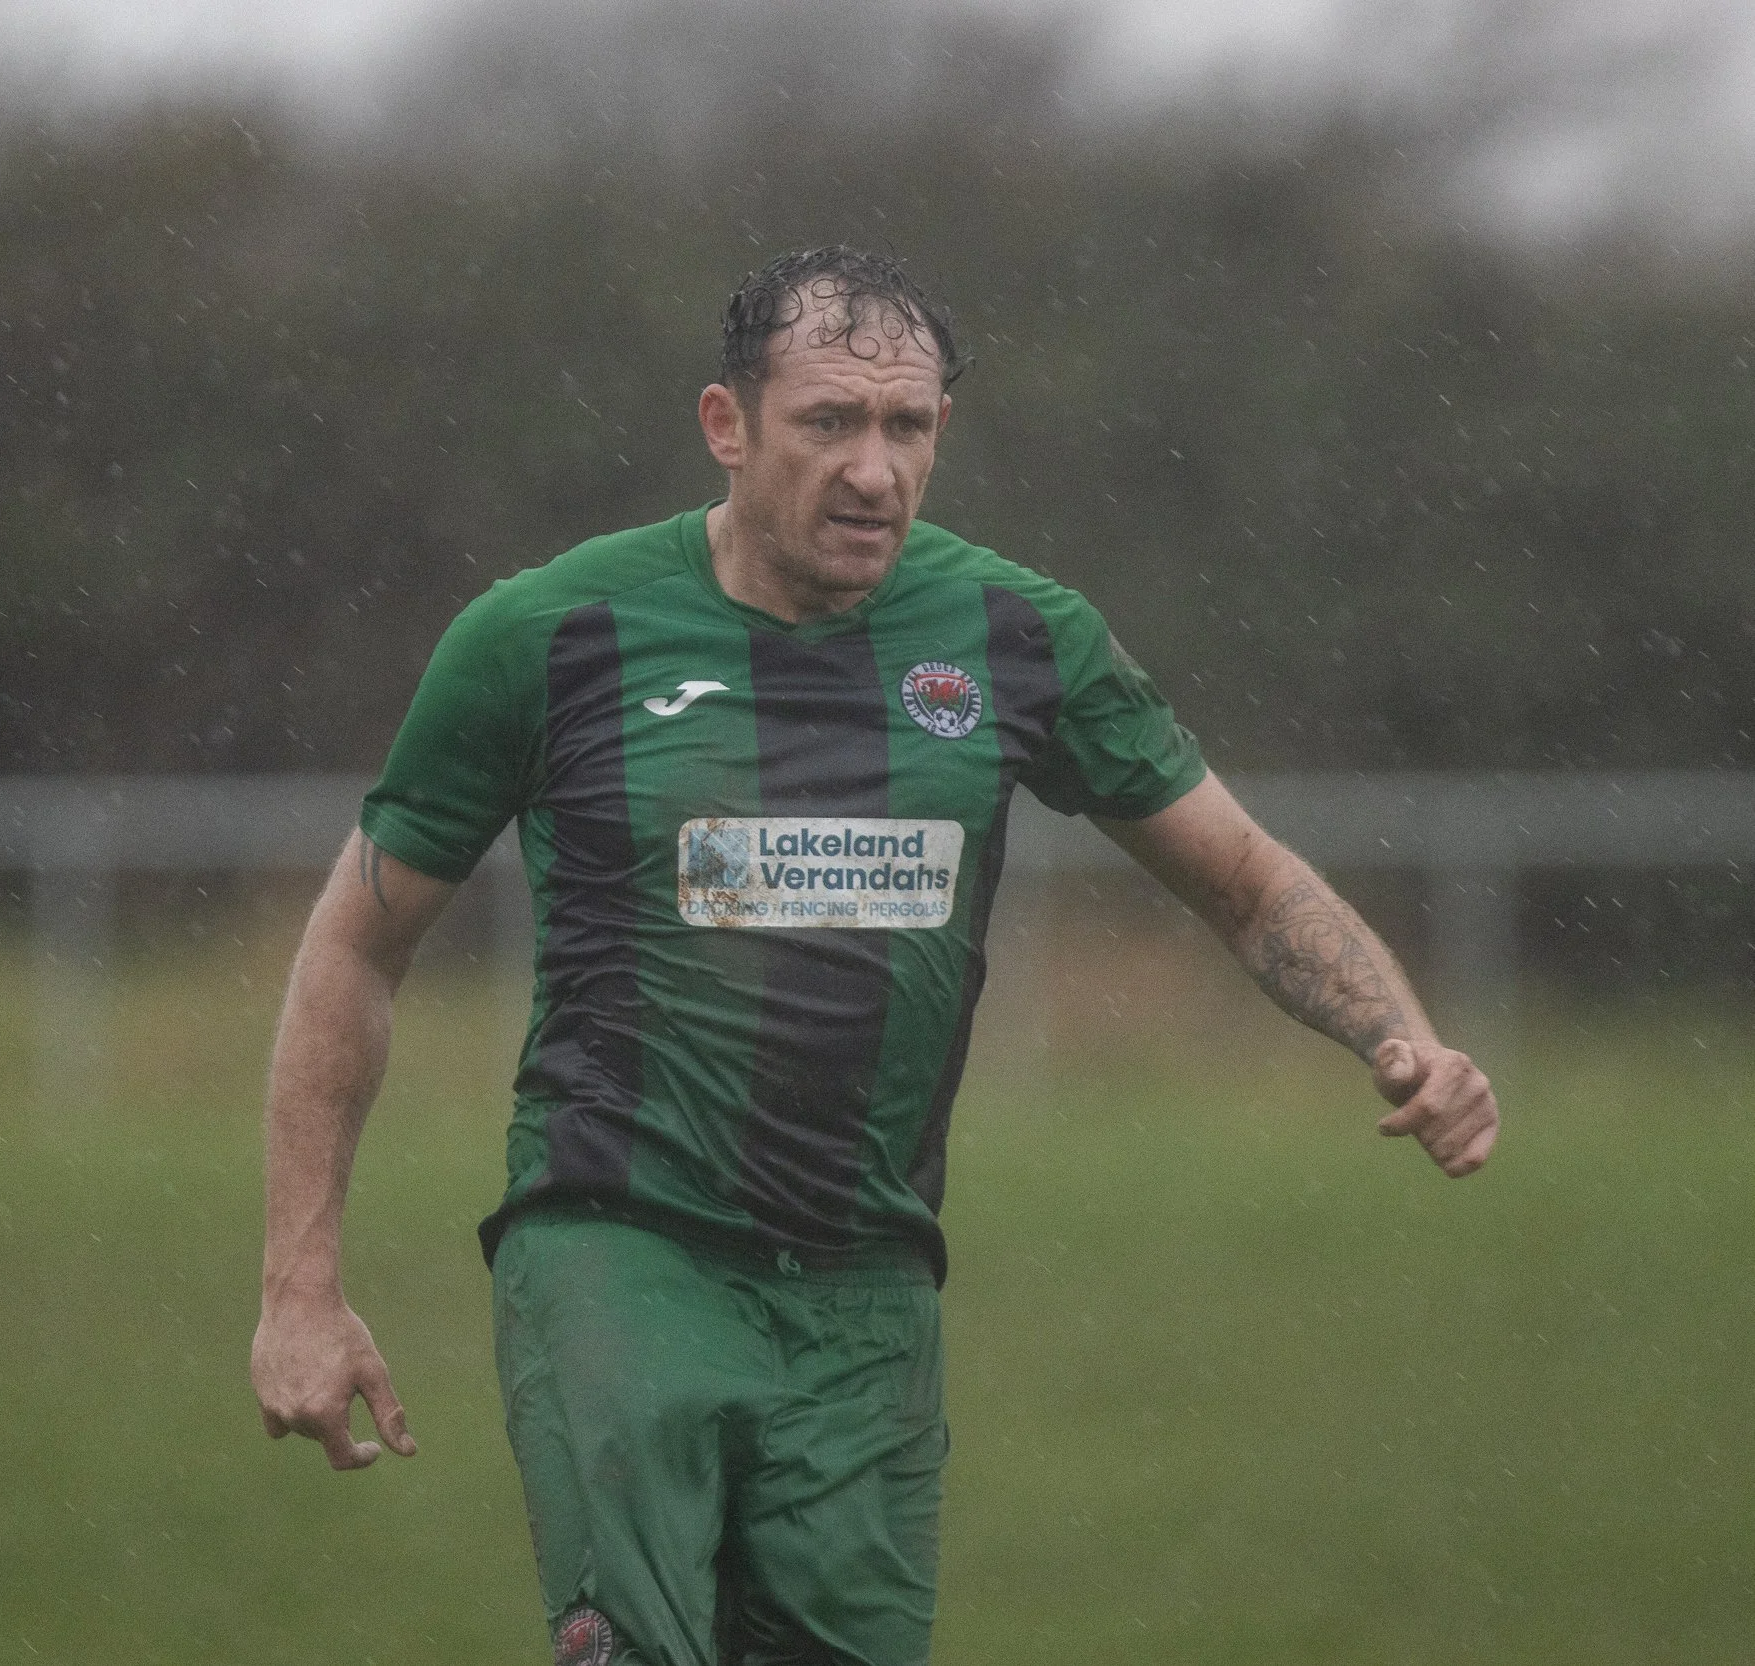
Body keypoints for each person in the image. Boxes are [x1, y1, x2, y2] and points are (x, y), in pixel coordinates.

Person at [249, 245, 1500, 1666]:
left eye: (907, 427)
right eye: (829, 422)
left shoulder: (1018, 636)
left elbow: (1245, 878)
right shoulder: (551, 635)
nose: (873, 470)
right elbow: (353, 948)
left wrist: (1399, 1031)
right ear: (727, 425)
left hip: (870, 1288)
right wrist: (301, 1285)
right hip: (618, 1246)